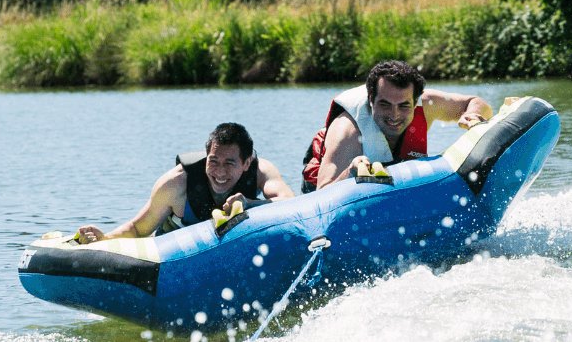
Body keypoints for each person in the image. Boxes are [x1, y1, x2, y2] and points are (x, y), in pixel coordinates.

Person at [76, 123, 296, 243]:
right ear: (205, 157)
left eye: (229, 163)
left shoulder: (261, 171)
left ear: (247, 163)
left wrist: (249, 203)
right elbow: (137, 229)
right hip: (173, 251)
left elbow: (290, 205)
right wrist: (104, 238)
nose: (220, 172)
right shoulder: (176, 183)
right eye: (213, 161)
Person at [299, 61, 492, 192]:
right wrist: (350, 173)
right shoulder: (347, 131)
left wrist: (471, 115)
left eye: (404, 106)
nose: (394, 115)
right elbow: (322, 193)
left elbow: (476, 102)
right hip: (322, 180)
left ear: (415, 101)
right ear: (371, 100)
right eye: (384, 105)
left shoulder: (427, 103)